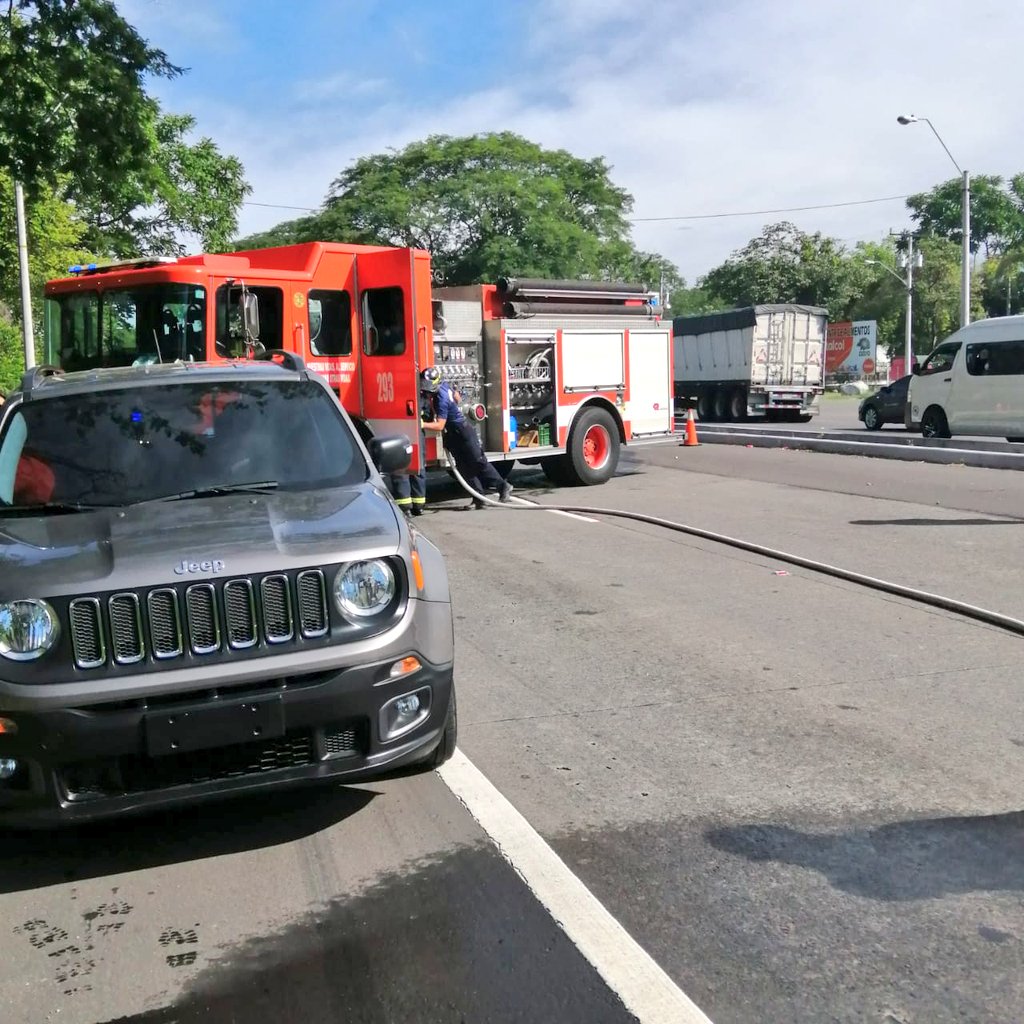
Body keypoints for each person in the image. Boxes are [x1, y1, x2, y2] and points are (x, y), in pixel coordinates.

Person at [419, 366, 512, 509]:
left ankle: (503, 486)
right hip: (453, 433)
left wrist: (423, 424)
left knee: (478, 462)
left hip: (462, 431)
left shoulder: (440, 399)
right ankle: (478, 498)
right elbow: (457, 397)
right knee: (463, 467)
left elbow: (440, 426)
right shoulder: (444, 385)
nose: (426, 391)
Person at [388, 424, 427, 517]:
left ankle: (405, 508)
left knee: (400, 468)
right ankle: (418, 506)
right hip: (416, 428)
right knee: (417, 465)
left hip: (397, 426)